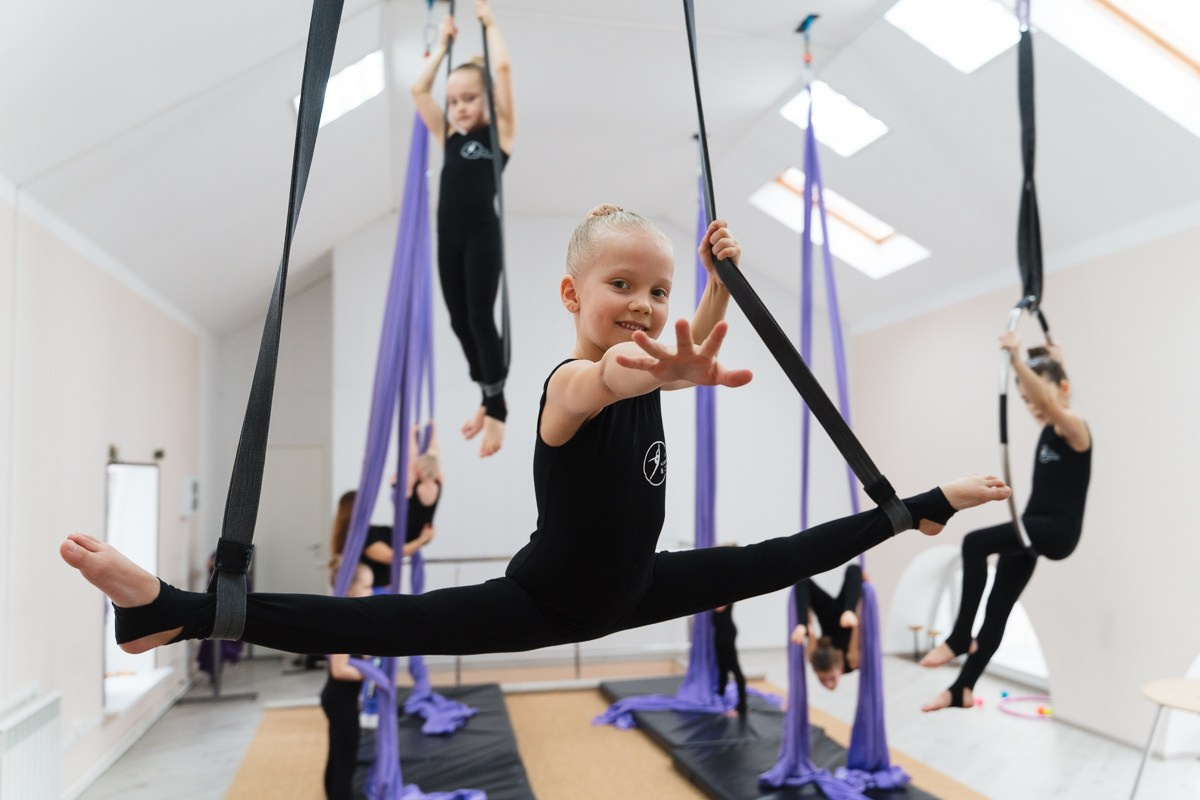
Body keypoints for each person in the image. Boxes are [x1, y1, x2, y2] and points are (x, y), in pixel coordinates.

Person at [61, 205, 1012, 666]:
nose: (643, 307)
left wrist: (718, 285)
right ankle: (176, 608)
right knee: (379, 626)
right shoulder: (569, 383)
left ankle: (917, 510)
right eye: (620, 286)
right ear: (571, 294)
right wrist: (652, 368)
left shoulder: (655, 354)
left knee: (776, 560)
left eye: (657, 291)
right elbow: (605, 377)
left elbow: (668, 347)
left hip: (637, 586)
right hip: (547, 597)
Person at [919, 336, 1090, 712]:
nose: (1033, 406)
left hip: (1056, 531)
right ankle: (962, 689)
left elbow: (1052, 401)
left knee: (974, 543)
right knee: (998, 606)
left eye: (1036, 398)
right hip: (1032, 528)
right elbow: (1051, 392)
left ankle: (959, 636)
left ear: (1062, 390)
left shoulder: (1075, 429)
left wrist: (1016, 361)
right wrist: (1055, 359)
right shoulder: (1052, 426)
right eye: (1026, 400)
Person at [412, 0, 515, 458]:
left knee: (478, 317)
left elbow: (503, 68)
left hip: (481, 236)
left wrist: (488, 23)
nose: (457, 108)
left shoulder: (500, 135)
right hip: (448, 238)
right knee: (459, 320)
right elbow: (418, 89)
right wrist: (443, 45)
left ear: (488, 99)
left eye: (468, 98)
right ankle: (487, 395)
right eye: (453, 101)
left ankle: (497, 409)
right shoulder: (449, 136)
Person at [320, 563, 375, 800]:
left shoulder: (349, 617)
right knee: (346, 761)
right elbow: (339, 669)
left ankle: (332, 794)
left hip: (341, 698)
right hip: (339, 699)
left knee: (337, 754)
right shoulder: (342, 619)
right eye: (367, 586)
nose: (371, 592)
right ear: (350, 588)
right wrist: (369, 674)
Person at [791, 563, 863, 691]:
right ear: (840, 668)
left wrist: (803, 625)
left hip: (828, 618)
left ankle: (802, 625)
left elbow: (812, 633)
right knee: (853, 570)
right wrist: (854, 609)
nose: (829, 685)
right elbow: (858, 631)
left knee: (802, 581)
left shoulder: (813, 659)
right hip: (848, 620)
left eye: (823, 679)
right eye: (830, 678)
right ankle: (849, 611)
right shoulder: (852, 662)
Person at [712, 603, 747, 717]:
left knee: (735, 669)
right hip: (719, 634)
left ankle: (742, 707)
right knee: (722, 668)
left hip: (726, 634)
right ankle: (721, 698)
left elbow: (719, 608)